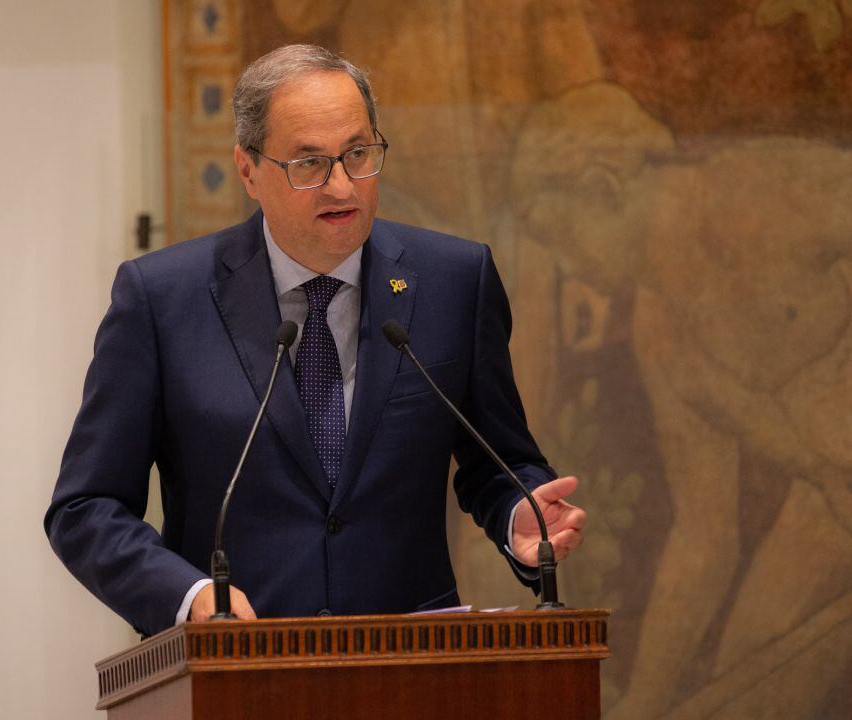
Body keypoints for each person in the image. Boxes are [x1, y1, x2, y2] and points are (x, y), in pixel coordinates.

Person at [44, 44, 585, 638]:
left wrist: (520, 515)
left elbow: (498, 461)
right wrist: (191, 595)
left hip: (414, 671)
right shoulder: (161, 299)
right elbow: (85, 508)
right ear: (248, 170)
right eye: (309, 164)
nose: (342, 187)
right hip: (235, 673)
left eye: (358, 154)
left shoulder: (455, 281)